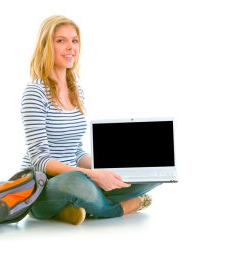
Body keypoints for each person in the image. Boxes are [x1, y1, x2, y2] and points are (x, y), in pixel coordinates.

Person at [20, 15, 160, 225]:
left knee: (151, 170)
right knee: (78, 182)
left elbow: (75, 150)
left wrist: (107, 169)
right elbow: (40, 160)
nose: (70, 47)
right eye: (61, 41)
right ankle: (125, 205)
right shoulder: (35, 92)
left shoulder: (76, 92)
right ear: (46, 46)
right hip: (42, 185)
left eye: (74, 41)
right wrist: (92, 175)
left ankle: (76, 207)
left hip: (77, 177)